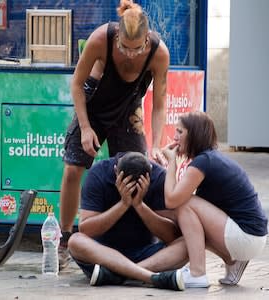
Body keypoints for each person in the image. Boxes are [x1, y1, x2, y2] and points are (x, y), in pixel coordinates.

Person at [59, 0, 170, 268]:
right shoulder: (100, 39)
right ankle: (64, 239)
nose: (131, 55)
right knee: (73, 169)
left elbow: (159, 104)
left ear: (147, 39)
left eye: (137, 48)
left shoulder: (158, 53)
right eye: (125, 48)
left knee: (135, 171)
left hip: (128, 110)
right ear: (118, 36)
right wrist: (85, 128)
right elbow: (76, 85)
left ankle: (130, 240)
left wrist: (156, 144)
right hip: (93, 105)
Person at [161, 111, 268, 288]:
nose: (175, 137)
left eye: (180, 132)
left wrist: (171, 162)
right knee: (188, 220)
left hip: (247, 237)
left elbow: (172, 200)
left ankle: (197, 273)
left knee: (184, 203)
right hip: (252, 237)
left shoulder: (203, 162)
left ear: (194, 134)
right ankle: (232, 263)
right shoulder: (210, 158)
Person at [68, 152, 188, 291]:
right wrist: (123, 204)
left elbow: (171, 236)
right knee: (75, 241)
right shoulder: (98, 173)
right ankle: (149, 277)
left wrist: (139, 206)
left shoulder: (159, 176)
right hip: (103, 255)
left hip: (147, 256)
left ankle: (120, 275)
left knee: (189, 242)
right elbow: (87, 230)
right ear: (115, 172)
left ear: (149, 174)